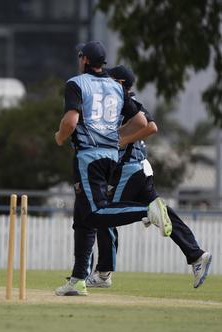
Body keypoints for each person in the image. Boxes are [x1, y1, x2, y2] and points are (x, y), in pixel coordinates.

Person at [53, 41, 172, 296]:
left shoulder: (76, 83)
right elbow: (141, 120)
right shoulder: (116, 87)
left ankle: (147, 210)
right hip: (110, 157)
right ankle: (78, 279)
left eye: (80, 56)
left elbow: (71, 121)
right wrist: (116, 137)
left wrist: (60, 137)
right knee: (84, 219)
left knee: (95, 213)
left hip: (88, 157)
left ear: (84, 59)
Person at [87, 65, 212, 289]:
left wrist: (124, 140)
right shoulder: (128, 101)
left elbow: (151, 127)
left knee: (104, 214)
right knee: (164, 214)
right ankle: (196, 255)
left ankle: (103, 274)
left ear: (121, 84)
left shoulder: (125, 102)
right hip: (141, 168)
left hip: (130, 168)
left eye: (109, 80)